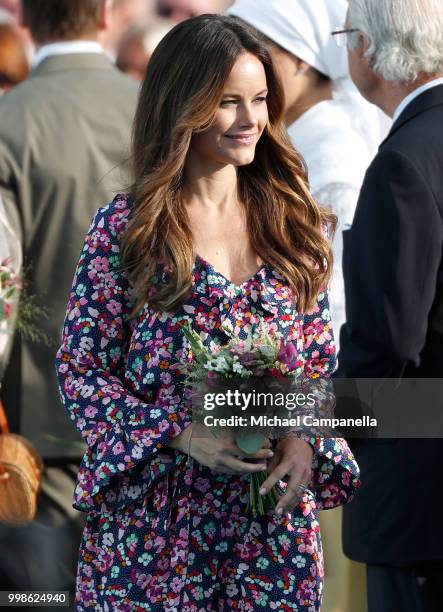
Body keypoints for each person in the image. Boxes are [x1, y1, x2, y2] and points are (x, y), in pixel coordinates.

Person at [56, 14, 360, 610]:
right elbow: (81, 371)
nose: (252, 120)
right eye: (228, 102)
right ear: (184, 105)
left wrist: (303, 437)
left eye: (261, 100)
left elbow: (321, 370)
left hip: (271, 534)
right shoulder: (128, 230)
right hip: (156, 531)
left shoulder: (293, 224)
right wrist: (180, 434)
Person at [0, 0, 138, 597]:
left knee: (45, 595)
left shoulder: (10, 121)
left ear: (23, 16)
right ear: (106, 13)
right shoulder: (154, 114)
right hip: (156, 422)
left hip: (44, 430)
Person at [336, 0, 443, 610]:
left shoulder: (403, 160)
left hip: (422, 492)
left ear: (370, 49)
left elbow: (389, 343)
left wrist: (317, 422)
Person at [228, 0, 389, 348]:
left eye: (259, 52)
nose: (243, 68)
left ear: (302, 58)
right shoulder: (281, 140)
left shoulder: (331, 157)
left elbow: (342, 298)